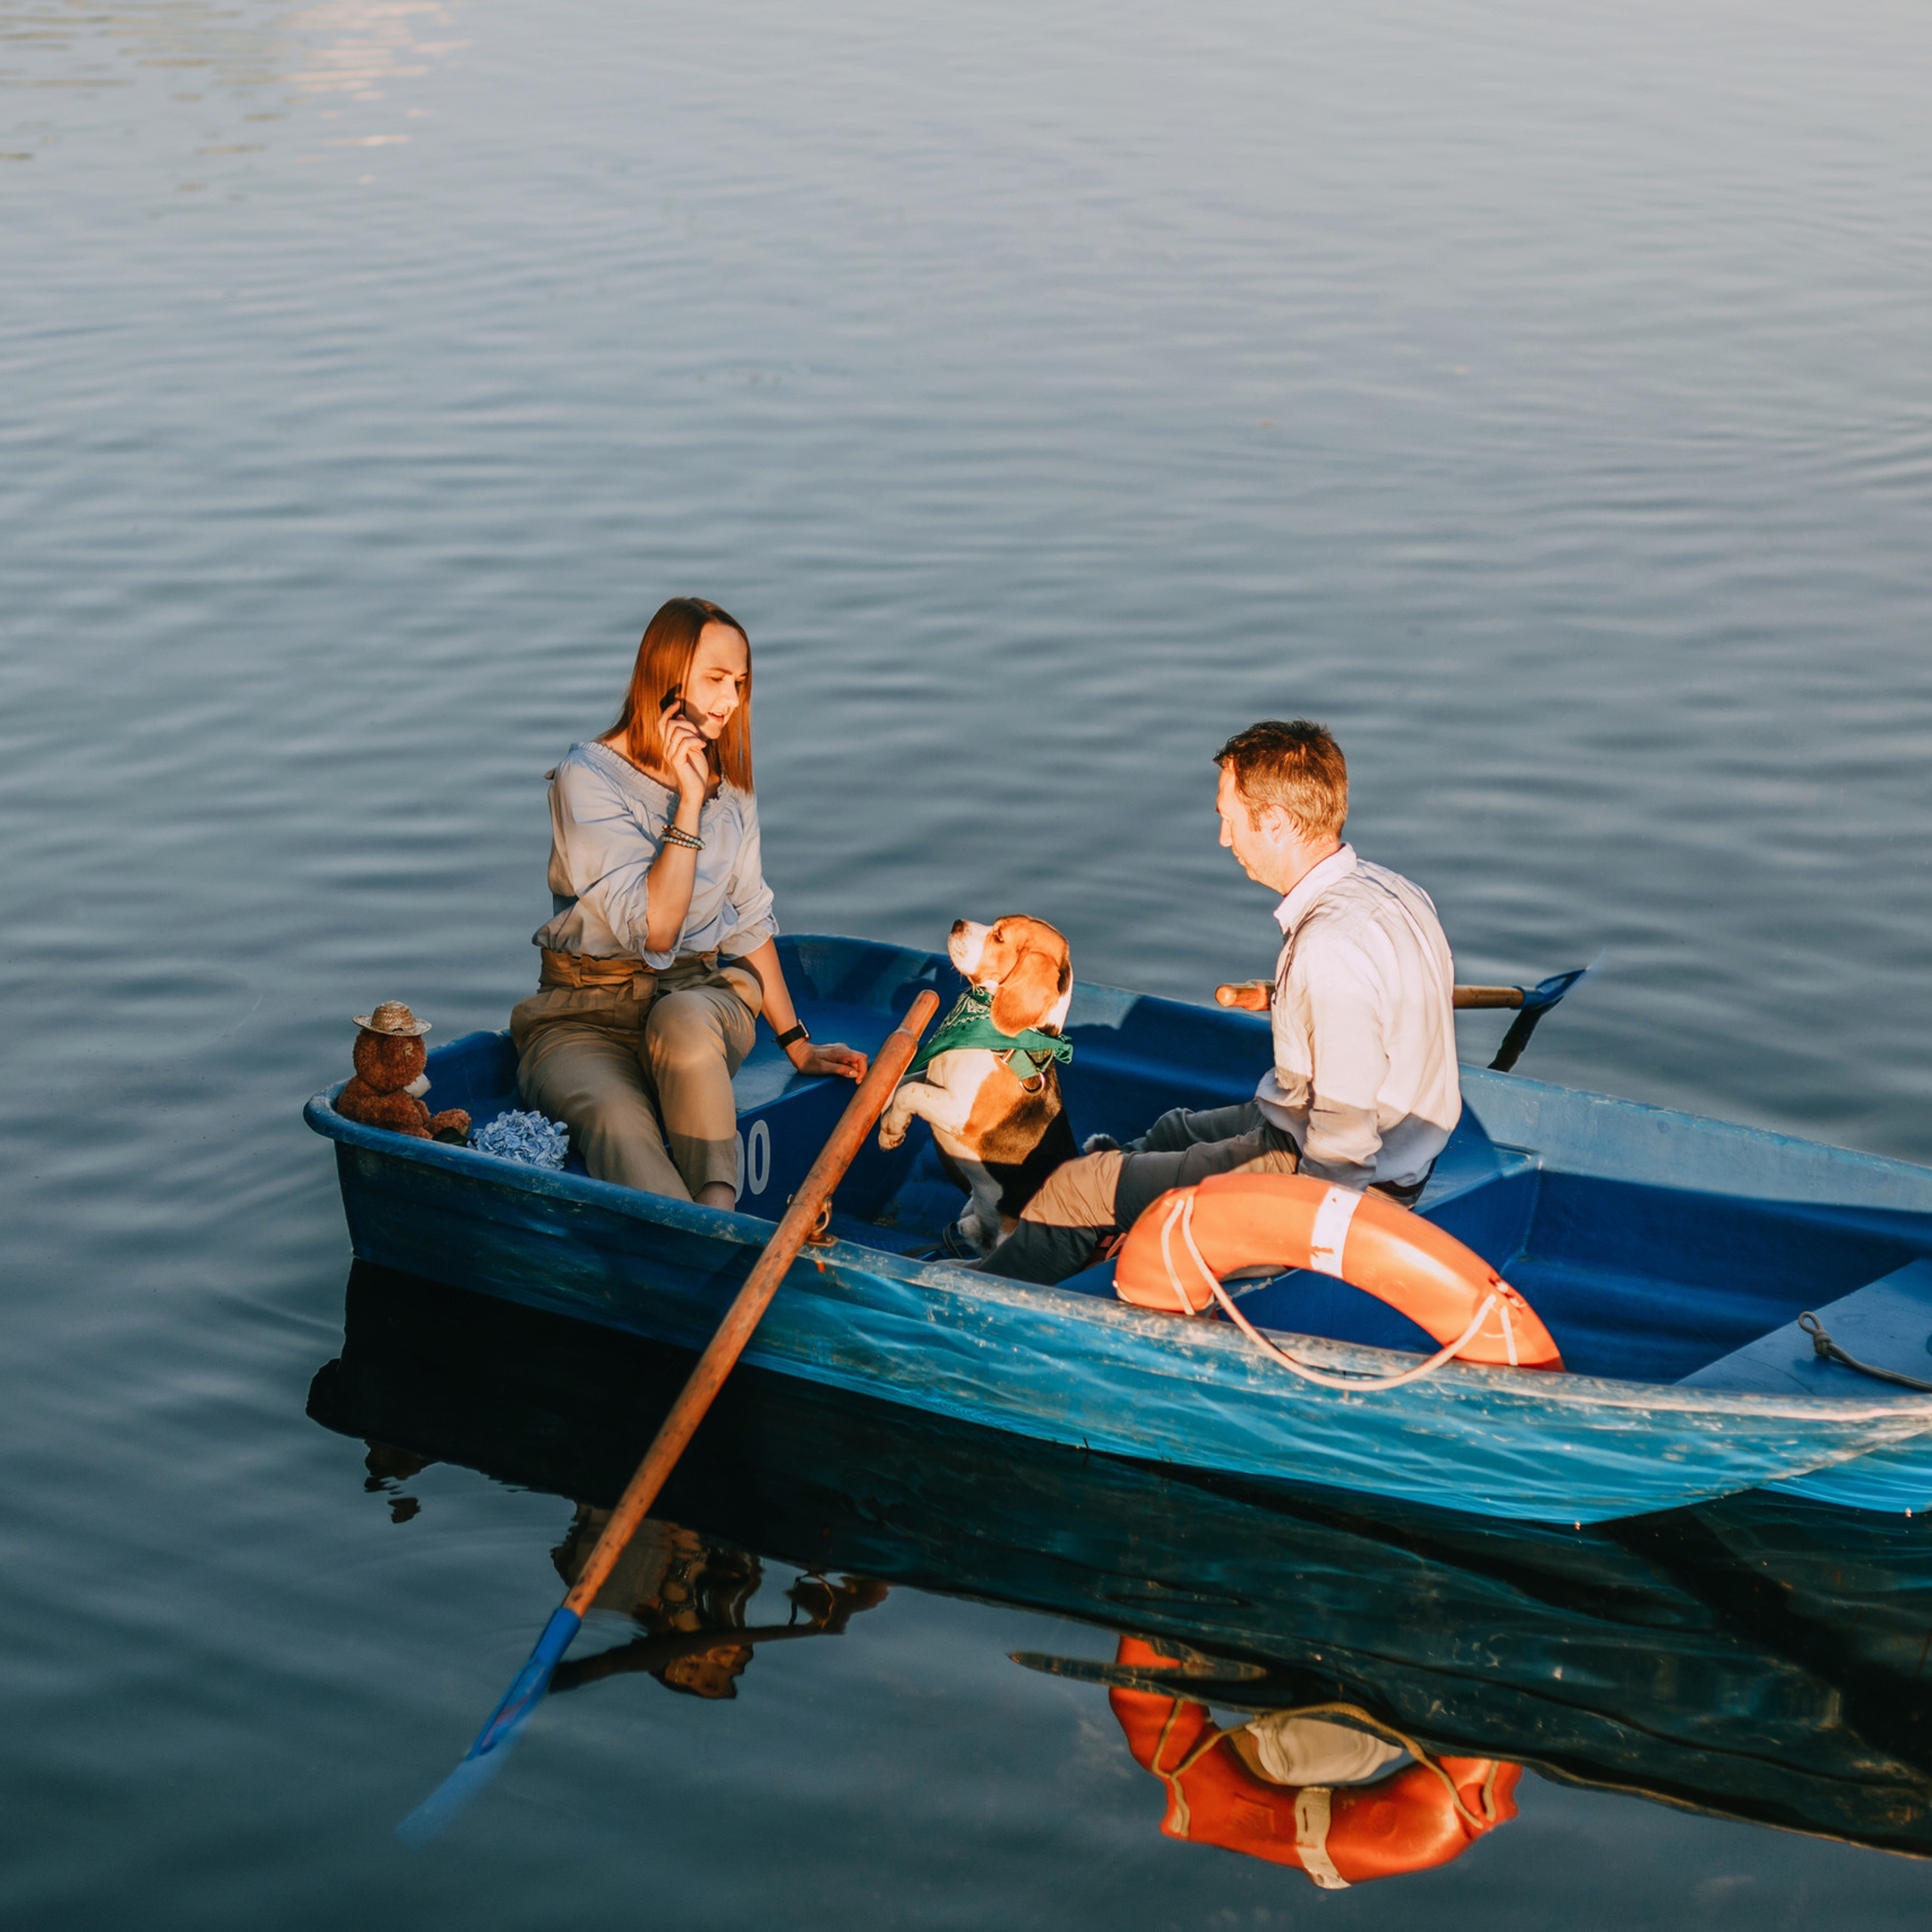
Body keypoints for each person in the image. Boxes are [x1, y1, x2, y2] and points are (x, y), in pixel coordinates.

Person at [979, 718, 1460, 1284]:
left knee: (1074, 1189)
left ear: (1275, 822)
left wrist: (1285, 1244)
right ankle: (1089, 1237)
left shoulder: (1328, 949)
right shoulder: (1390, 888)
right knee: (1169, 1133)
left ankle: (977, 1299)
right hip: (1367, 1141)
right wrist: (1290, 996)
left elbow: (1343, 1150)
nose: (1224, 839)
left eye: (1229, 821)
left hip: (1346, 1179)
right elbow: (1370, 1011)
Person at [512, 596, 866, 1206]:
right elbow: (654, 929)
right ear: (666, 676)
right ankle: (694, 1257)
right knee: (619, 1125)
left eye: (741, 682)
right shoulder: (586, 779)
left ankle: (719, 1218)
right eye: (715, 680)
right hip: (583, 1019)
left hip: (697, 1001)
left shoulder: (734, 788)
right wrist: (689, 805)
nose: (731, 700)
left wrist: (798, 1044)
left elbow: (748, 918)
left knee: (679, 1023)